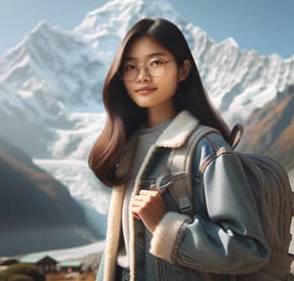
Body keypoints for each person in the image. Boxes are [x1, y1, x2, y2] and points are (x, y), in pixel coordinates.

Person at [88, 18, 270, 281]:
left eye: (156, 63)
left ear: (183, 70)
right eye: (130, 66)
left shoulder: (207, 148)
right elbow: (117, 250)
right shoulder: (125, 149)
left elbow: (247, 249)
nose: (142, 76)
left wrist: (165, 225)